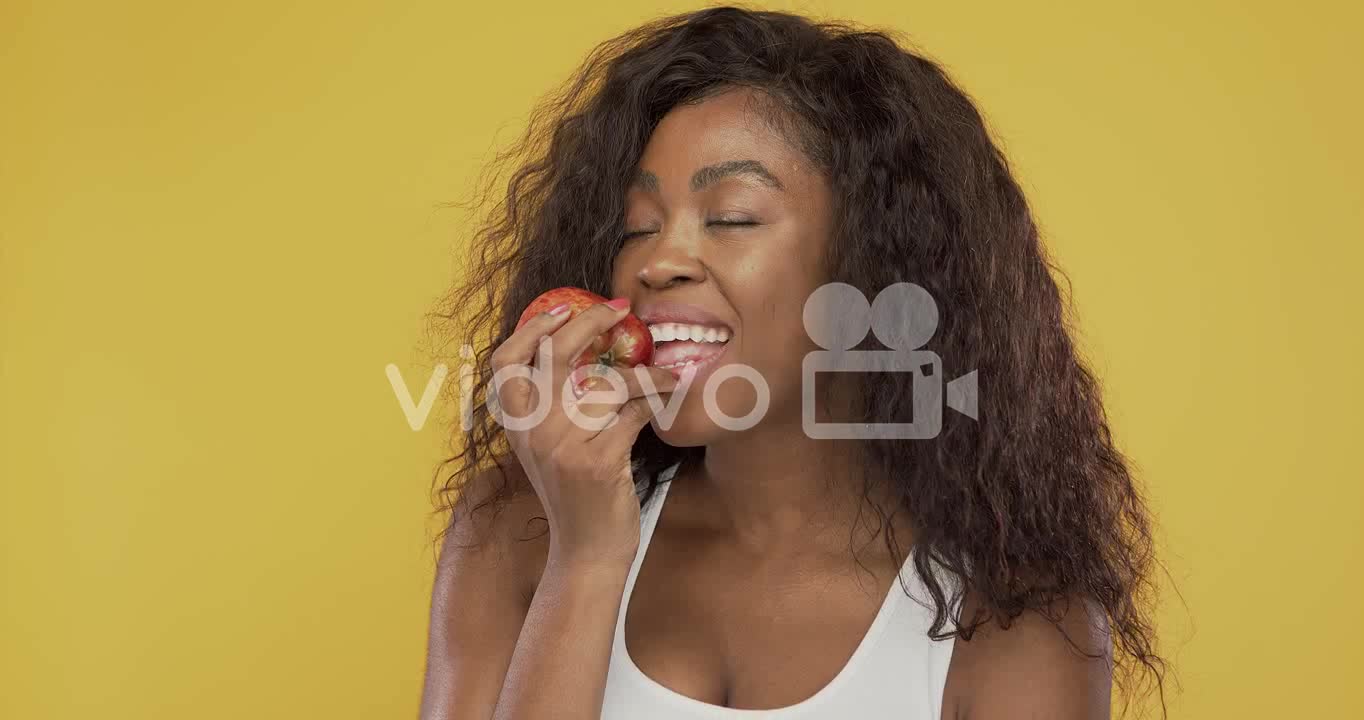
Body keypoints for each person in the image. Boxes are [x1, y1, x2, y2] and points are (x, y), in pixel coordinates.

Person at [419, 7, 1167, 720]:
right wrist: (584, 560)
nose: (658, 262)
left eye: (733, 218)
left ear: (870, 267)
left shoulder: (1014, 615)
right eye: (635, 228)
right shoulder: (520, 524)